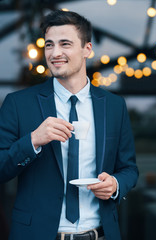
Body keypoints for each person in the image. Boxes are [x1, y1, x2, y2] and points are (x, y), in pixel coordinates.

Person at [0, 10, 138, 240]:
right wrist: (32, 141)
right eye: (49, 45)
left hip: (101, 234)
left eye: (65, 44)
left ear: (87, 49)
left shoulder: (114, 106)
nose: (55, 53)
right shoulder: (18, 104)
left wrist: (115, 184)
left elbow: (129, 169)